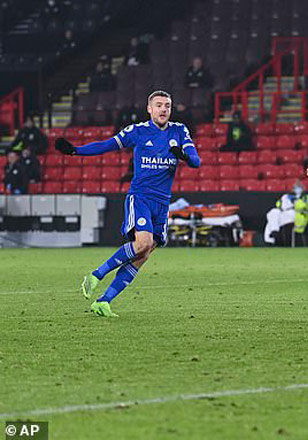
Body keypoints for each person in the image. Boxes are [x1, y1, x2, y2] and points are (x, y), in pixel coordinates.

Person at [54, 90, 201, 317]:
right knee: (143, 243)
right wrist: (76, 151)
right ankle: (96, 275)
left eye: (168, 106)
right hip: (141, 197)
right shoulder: (138, 131)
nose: (164, 109)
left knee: (143, 255)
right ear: (149, 109)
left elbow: (196, 162)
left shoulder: (179, 131)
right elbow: (107, 145)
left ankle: (103, 301)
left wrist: (183, 155)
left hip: (162, 203)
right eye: (159, 105)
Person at [263, 181, 308, 246]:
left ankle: (270, 240)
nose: (297, 188)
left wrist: (294, 200)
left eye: (299, 187)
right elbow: (278, 204)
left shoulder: (305, 197)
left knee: (272, 221)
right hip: (284, 213)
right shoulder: (287, 195)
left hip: (296, 214)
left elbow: (302, 206)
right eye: (295, 187)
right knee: (273, 212)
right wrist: (285, 200)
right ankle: (271, 238)